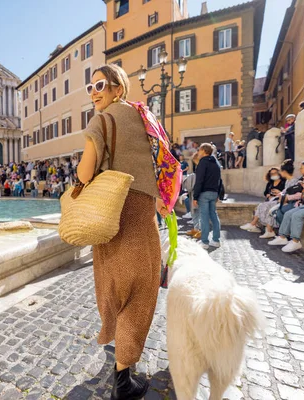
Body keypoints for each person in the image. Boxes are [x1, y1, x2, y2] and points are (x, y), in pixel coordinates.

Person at [76, 64, 171, 399]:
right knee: (142, 294)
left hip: (113, 220)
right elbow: (163, 163)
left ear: (119, 87)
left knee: (116, 289)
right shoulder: (148, 120)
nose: (94, 92)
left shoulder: (102, 120)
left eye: (100, 85)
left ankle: (122, 381)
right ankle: (123, 370)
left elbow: (86, 172)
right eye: (90, 87)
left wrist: (80, 169)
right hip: (144, 220)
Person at [240, 161, 295, 237]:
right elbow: (266, 192)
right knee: (261, 206)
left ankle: (261, 227)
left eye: (276, 173)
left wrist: (279, 193)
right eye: (272, 174)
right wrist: (269, 195)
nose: (274, 175)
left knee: (266, 206)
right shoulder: (271, 183)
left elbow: (288, 193)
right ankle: (262, 228)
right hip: (275, 199)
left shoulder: (286, 181)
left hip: (281, 200)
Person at [193, 143, 222, 249]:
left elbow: (199, 181)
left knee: (204, 217)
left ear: (204, 151)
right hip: (214, 192)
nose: (198, 152)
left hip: (204, 193)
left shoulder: (202, 163)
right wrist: (218, 193)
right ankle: (216, 240)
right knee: (214, 216)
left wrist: (195, 197)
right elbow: (220, 180)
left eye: (199, 150)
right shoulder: (216, 163)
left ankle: (204, 242)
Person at [275, 160, 304, 227]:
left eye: (302, 168)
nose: (300, 169)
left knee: (281, 211)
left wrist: (288, 198)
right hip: (296, 201)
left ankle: (284, 233)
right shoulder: (303, 179)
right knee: (278, 211)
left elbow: (303, 194)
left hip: (303, 202)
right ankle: (284, 232)